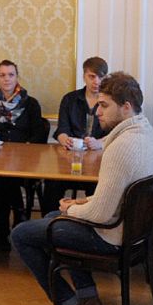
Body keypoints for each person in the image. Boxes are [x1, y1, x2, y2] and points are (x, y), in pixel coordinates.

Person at [10, 72, 153, 305]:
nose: (97, 111)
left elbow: (100, 215)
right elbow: (119, 195)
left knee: (22, 234)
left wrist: (71, 208)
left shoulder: (122, 146)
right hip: (135, 236)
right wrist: (80, 202)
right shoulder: (149, 137)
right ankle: (87, 296)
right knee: (52, 215)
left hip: (111, 237)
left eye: (104, 105)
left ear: (126, 107)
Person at [0, 60, 47, 246]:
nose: (7, 79)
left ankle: (2, 227)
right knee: (4, 175)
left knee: (6, 178)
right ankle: (19, 215)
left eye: (11, 74)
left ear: (17, 77)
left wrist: (23, 150)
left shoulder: (31, 104)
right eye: (2, 75)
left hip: (25, 160)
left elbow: (39, 135)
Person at [45, 56, 110, 214]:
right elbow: (62, 130)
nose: (97, 81)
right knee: (52, 182)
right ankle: (49, 224)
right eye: (92, 76)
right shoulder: (70, 99)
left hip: (99, 160)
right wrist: (64, 140)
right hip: (71, 158)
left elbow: (116, 133)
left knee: (97, 187)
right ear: (84, 76)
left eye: (101, 77)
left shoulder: (110, 101)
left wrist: (99, 143)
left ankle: (90, 226)